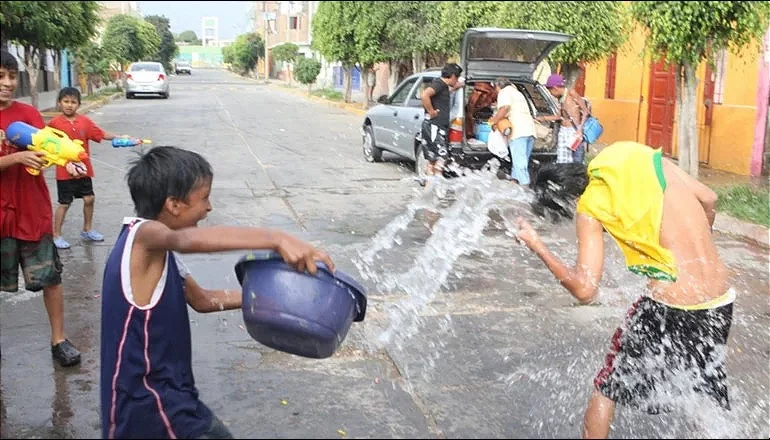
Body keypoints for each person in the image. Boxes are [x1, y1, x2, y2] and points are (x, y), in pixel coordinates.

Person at [100, 146, 336, 439]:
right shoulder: (145, 238)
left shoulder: (162, 253)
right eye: (205, 197)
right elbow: (184, 239)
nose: (209, 207)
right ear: (174, 204)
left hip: (173, 397)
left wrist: (266, 301)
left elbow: (201, 300)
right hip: (149, 405)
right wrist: (276, 238)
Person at [514, 141, 734, 439]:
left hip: (674, 303)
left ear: (565, 201)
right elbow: (709, 199)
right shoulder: (641, 157)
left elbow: (585, 290)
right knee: (703, 387)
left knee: (606, 388)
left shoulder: (590, 204)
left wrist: (537, 245)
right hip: (721, 299)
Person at [0, 49, 82, 367]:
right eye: (1, 77)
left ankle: (59, 340)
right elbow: (22, 157)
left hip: (31, 210)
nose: (7, 83)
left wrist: (62, 161)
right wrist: (17, 158)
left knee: (51, 277)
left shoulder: (28, 114)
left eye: (11, 76)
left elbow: (46, 149)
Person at [47, 87, 132, 249]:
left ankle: (87, 229)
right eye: (66, 101)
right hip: (64, 171)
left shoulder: (84, 122)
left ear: (79, 104)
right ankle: (56, 235)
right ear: (59, 103)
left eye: (73, 102)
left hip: (83, 170)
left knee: (89, 199)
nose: (69, 105)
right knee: (64, 203)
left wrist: (119, 137)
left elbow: (100, 133)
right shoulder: (54, 124)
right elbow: (45, 143)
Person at [488, 78, 536, 187]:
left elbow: (505, 108)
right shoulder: (517, 93)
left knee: (519, 165)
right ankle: (514, 186)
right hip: (530, 131)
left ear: (497, 86)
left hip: (519, 132)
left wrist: (493, 121)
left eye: (495, 89)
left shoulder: (504, 92)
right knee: (520, 163)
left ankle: (525, 192)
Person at [420, 63, 463, 182]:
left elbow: (449, 89)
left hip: (435, 127)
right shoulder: (439, 84)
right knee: (441, 159)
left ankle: (429, 190)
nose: (457, 80)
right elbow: (425, 95)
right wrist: (431, 111)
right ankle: (437, 187)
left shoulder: (443, 85)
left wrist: (460, 85)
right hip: (435, 127)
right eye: (457, 78)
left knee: (432, 161)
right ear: (453, 76)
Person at [537, 73, 589, 164]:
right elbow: (558, 116)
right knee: (563, 160)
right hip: (563, 131)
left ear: (555, 88)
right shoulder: (561, 98)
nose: (551, 94)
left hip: (573, 131)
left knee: (576, 160)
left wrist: (580, 129)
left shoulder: (571, 93)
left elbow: (585, 112)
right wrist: (543, 118)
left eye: (550, 91)